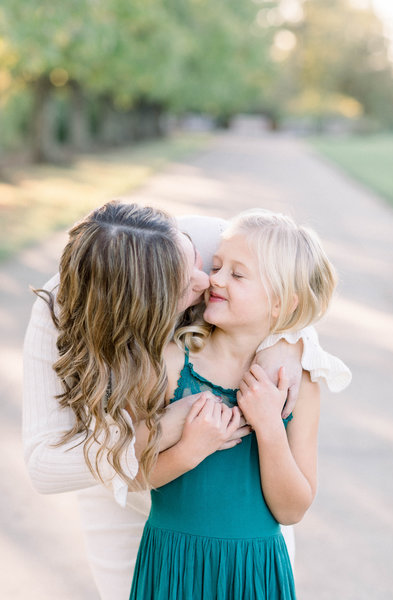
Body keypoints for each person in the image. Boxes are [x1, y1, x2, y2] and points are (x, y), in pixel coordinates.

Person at [23, 204, 351, 600]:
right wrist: (170, 432)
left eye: (203, 262)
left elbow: (288, 290)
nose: (209, 279)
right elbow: (71, 466)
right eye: (188, 279)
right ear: (144, 303)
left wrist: (293, 341)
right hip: (156, 535)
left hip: (251, 555)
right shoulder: (156, 358)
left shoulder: (221, 243)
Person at [130, 209, 343, 599]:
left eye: (237, 274)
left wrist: (268, 426)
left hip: (253, 572)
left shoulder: (297, 384)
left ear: (280, 303)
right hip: (176, 565)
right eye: (216, 265)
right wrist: (189, 451)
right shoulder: (172, 361)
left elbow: (292, 511)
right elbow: (133, 473)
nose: (215, 278)